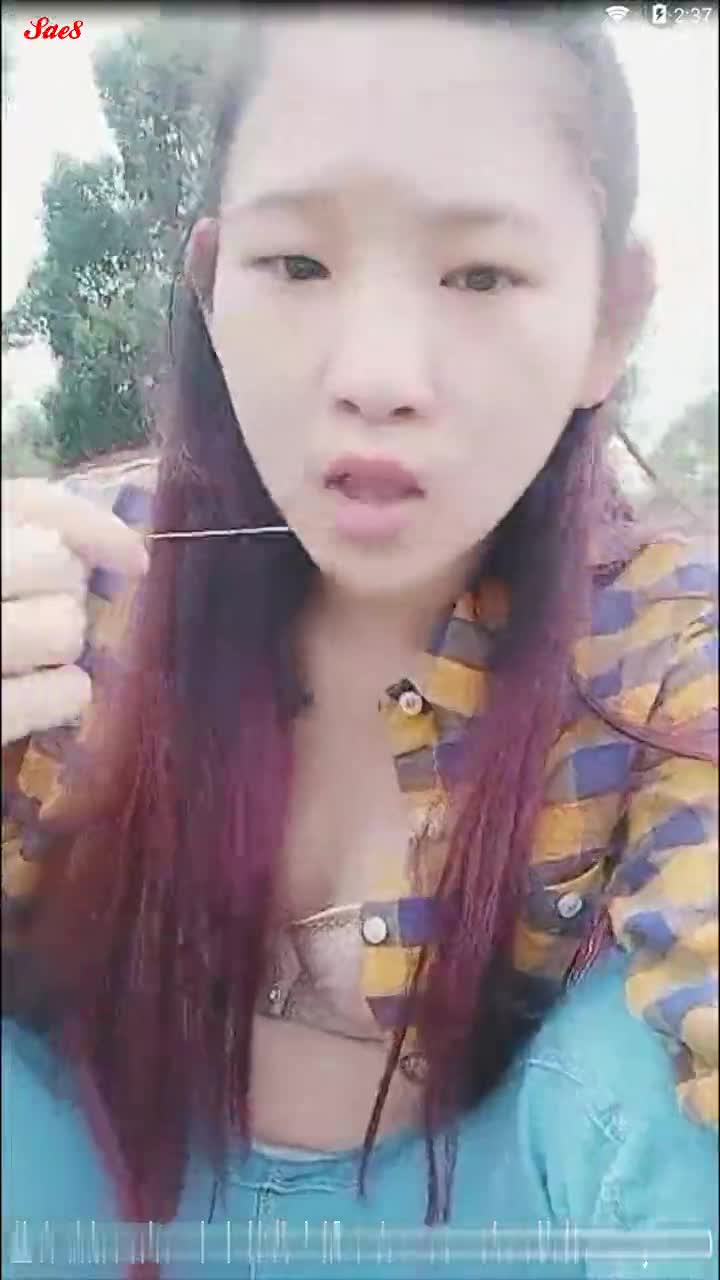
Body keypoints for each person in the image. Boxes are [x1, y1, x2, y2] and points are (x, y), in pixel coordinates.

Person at [1, 9, 717, 1280]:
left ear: (611, 320)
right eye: (296, 264)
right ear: (213, 286)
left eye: (480, 275)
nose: (376, 375)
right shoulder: (71, 595)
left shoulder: (664, 646)